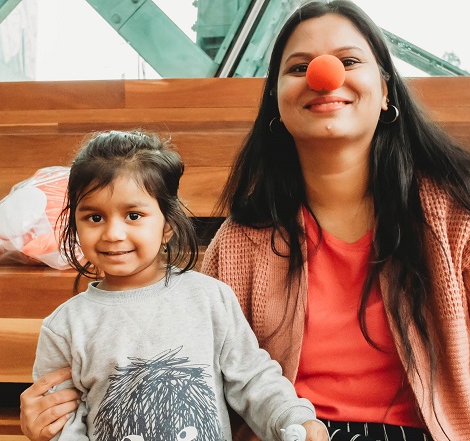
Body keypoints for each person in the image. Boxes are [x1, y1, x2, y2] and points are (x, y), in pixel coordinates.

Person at [21, 2, 470, 441]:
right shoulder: (241, 242)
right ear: (278, 106)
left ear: (386, 91)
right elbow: (184, 371)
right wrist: (51, 416)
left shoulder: (456, 212)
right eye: (298, 65)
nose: (323, 75)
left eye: (348, 60)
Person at [28, 130, 327, 441]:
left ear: (167, 226)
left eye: (133, 215)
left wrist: (294, 419)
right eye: (94, 217)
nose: (113, 233)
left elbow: (252, 378)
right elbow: (61, 424)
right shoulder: (63, 328)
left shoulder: (210, 298)